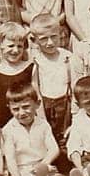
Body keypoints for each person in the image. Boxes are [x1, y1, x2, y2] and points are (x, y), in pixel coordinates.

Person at [1, 80, 67, 176]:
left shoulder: (43, 125)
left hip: (43, 165)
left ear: (37, 104)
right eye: (15, 109)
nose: (21, 113)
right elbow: (10, 160)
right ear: (9, 108)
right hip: (24, 169)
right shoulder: (8, 130)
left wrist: (44, 164)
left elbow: (54, 149)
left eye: (26, 107)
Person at [27, 12, 75, 146]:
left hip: (65, 107)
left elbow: (74, 86)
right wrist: (41, 116)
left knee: (66, 140)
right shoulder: (35, 60)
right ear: (35, 40)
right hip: (44, 108)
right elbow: (35, 89)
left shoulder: (68, 57)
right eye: (43, 39)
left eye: (54, 37)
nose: (50, 42)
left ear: (60, 34)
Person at [0, 22, 36, 129]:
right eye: (11, 46)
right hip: (3, 125)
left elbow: (37, 99)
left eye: (20, 46)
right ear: (0, 44)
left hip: (28, 124)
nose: (15, 50)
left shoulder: (30, 68)